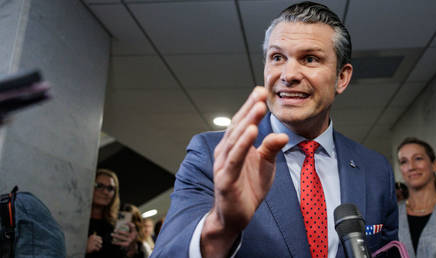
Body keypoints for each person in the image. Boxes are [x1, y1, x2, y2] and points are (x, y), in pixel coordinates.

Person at [152, 2, 398, 257]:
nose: (288, 74)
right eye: (278, 57)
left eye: (310, 58)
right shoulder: (212, 155)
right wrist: (221, 226)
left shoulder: (376, 171)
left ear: (342, 77)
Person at [397, 137, 436, 257]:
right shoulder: (393, 217)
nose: (411, 167)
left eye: (418, 158)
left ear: (434, 165)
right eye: (404, 161)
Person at [86, 169, 138, 258]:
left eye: (110, 188)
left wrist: (132, 248)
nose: (105, 192)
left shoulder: (116, 226)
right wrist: (81, 249)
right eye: (99, 186)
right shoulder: (75, 222)